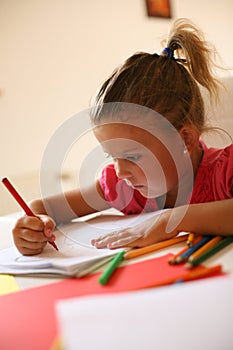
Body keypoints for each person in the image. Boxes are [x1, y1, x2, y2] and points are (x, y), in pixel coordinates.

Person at [12, 18, 233, 256]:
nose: (120, 171)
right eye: (112, 156)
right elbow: (46, 208)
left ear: (185, 139)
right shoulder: (125, 187)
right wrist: (33, 226)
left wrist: (172, 219)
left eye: (132, 156)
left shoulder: (224, 172)